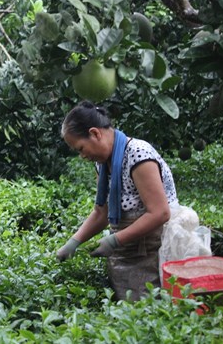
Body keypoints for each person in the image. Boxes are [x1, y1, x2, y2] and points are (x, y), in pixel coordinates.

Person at [56, 101, 179, 301]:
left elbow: (160, 213)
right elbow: (101, 212)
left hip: (151, 246)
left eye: (81, 148)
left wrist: (115, 240)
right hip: (128, 246)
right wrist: (73, 243)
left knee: (151, 305)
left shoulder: (138, 154)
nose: (82, 156)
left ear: (95, 133)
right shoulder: (103, 164)